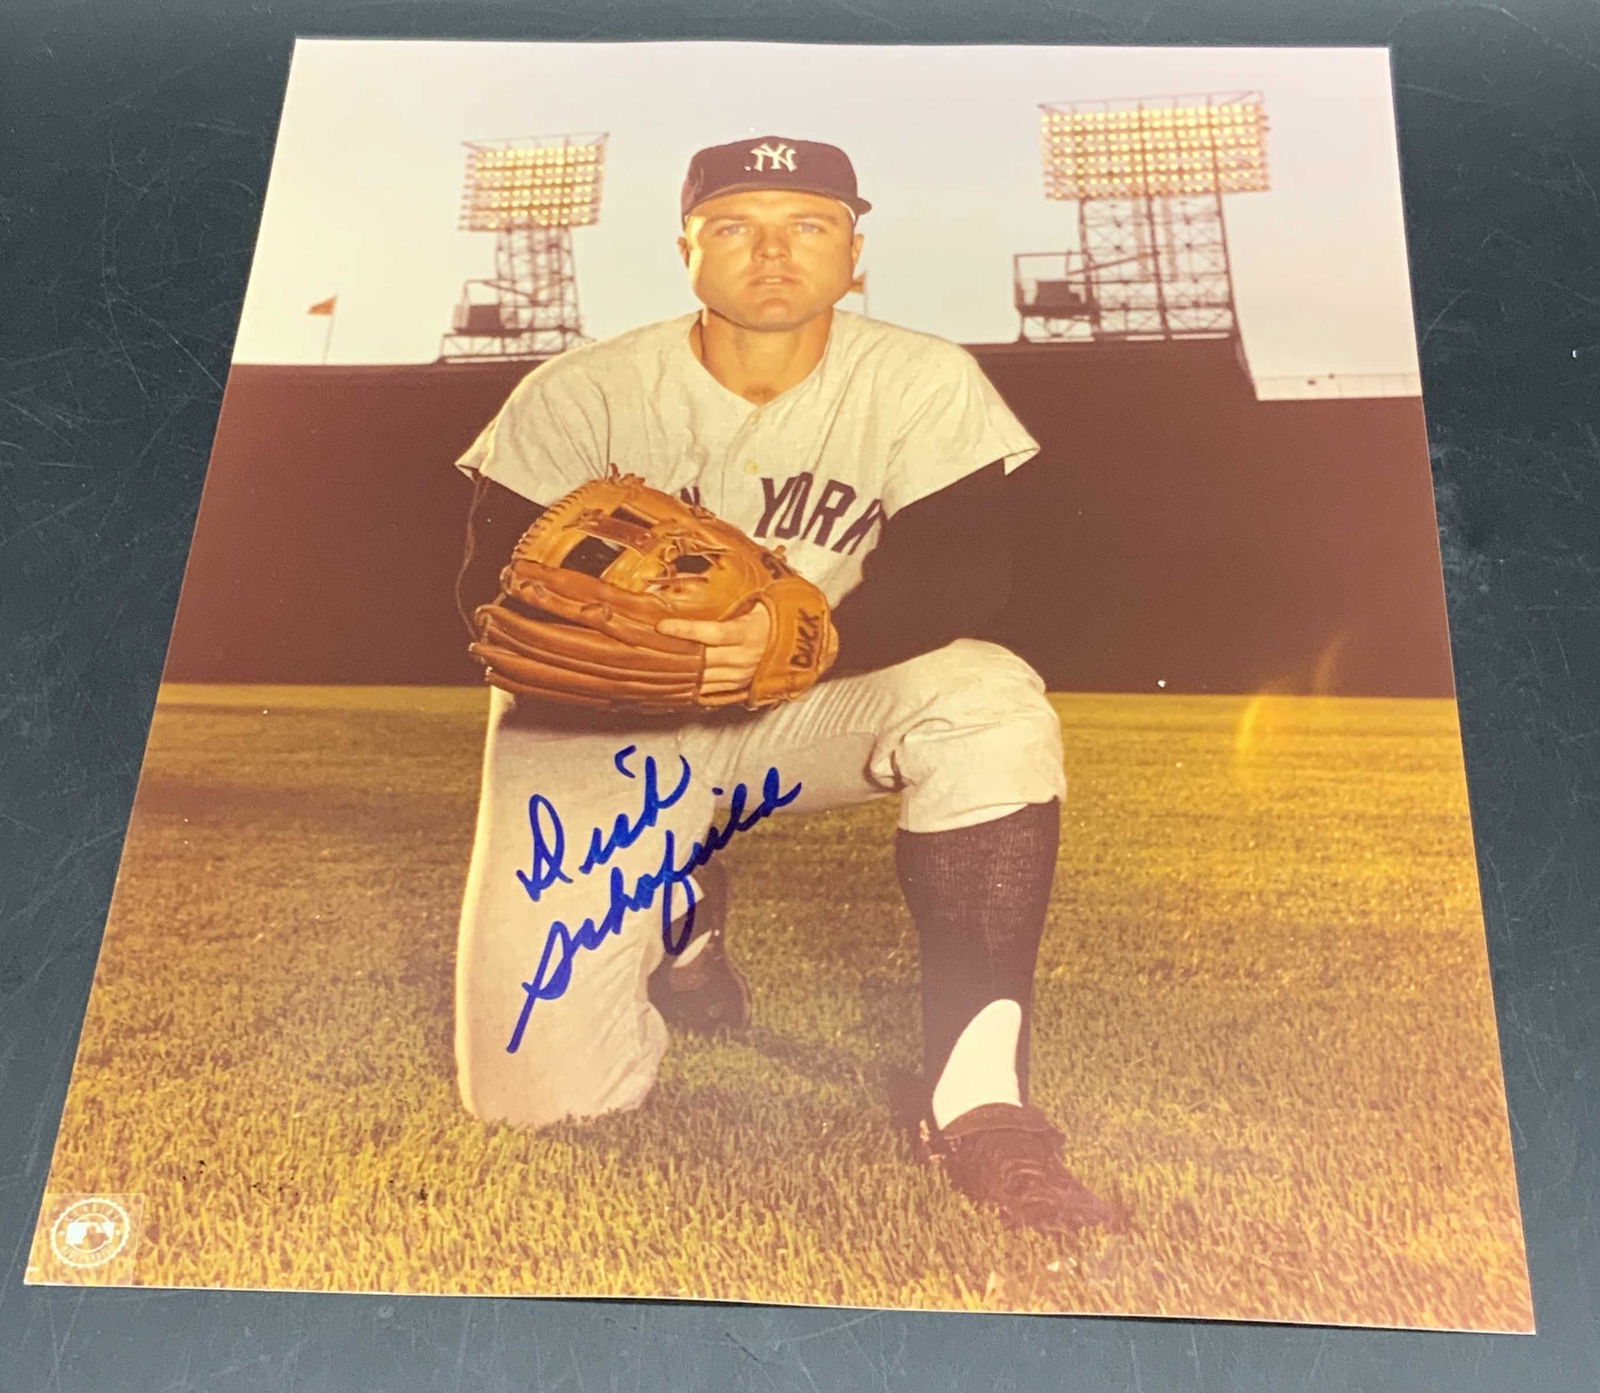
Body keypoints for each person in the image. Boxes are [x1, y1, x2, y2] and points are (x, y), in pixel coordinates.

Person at [451, 135, 1121, 1234]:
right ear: (687, 249)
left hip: (809, 700)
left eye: (807, 225)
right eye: (735, 226)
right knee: (540, 1103)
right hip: (603, 724)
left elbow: (966, 565)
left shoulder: (917, 376)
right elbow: (484, 587)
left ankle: (980, 1102)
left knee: (989, 699)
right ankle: (682, 915)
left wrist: (788, 638)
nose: (771, 251)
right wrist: (633, 654)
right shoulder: (581, 390)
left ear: (854, 253)